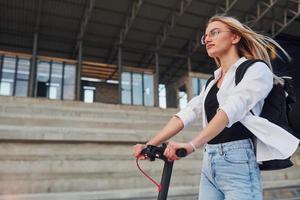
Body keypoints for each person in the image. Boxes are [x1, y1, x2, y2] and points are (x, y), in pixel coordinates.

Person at [133, 15, 299, 200]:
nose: (208, 40)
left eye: (215, 33)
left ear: (235, 37)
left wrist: (191, 145)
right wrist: (150, 144)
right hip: (210, 161)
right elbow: (185, 114)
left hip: (238, 160)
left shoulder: (256, 70)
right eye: (206, 37)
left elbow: (230, 109)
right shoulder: (212, 82)